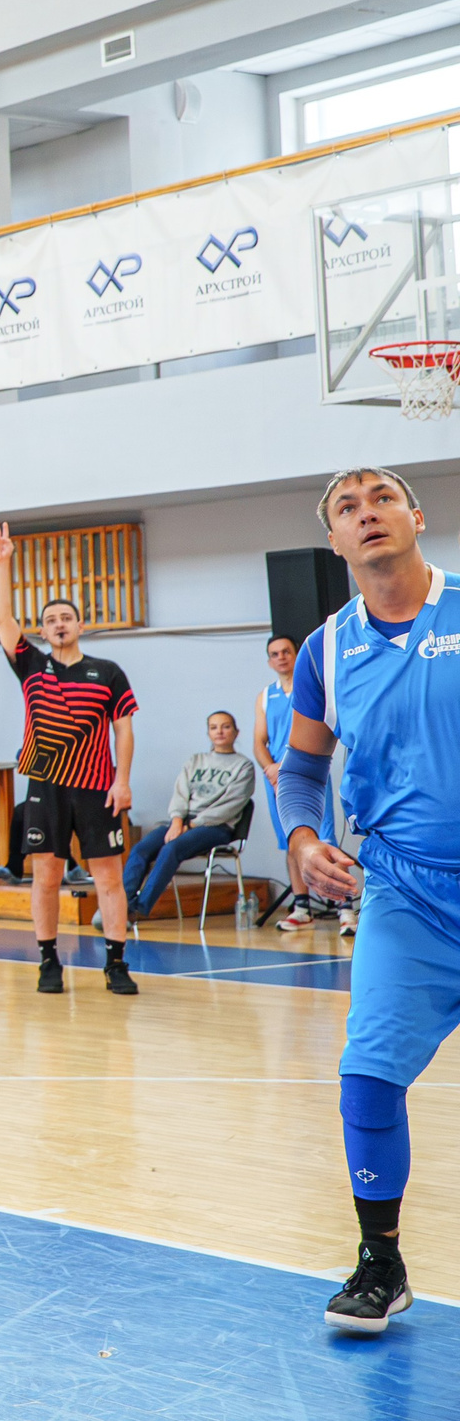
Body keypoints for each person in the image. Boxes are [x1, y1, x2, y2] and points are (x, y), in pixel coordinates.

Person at [273, 467, 459, 1334]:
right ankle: (380, 1262)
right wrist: (303, 840)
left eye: (381, 497)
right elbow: (305, 772)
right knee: (367, 1081)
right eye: (346, 508)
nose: (366, 512)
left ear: (416, 517)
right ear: (338, 543)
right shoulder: (324, 651)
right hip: (406, 893)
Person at [0, 522, 140, 996]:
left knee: (108, 877)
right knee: (47, 875)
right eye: (50, 618)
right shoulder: (31, 665)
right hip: (46, 785)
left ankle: (116, 964)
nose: (59, 623)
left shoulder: (108, 673)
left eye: (66, 618)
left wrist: (122, 779)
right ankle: (48, 960)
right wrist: (2, 561)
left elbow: (124, 728)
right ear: (42, 630)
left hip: (97, 787)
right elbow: (1, 617)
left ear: (80, 626)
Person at [121, 712, 257, 921]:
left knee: (171, 848)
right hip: (182, 822)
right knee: (141, 848)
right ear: (208, 732)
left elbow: (230, 806)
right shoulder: (195, 760)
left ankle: (138, 910)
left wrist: (191, 825)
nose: (219, 731)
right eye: (213, 727)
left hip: (216, 826)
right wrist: (177, 820)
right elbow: (180, 794)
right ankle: (120, 904)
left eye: (225, 726)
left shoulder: (243, 766)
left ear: (236, 731)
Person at [254, 631, 347, 936]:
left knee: (326, 837)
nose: (280, 657)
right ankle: (302, 907)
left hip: (308, 776)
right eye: (274, 653)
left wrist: (289, 767)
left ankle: (345, 907)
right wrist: (270, 768)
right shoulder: (265, 696)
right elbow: (259, 741)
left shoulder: (312, 685)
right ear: (269, 661)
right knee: (292, 841)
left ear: (295, 655)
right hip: (277, 780)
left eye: (285, 651)